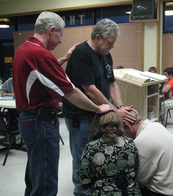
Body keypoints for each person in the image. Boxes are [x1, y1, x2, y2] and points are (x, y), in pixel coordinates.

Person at [13, 11, 112, 196]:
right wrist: (98, 107)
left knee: (35, 175)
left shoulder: (24, 50)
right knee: (45, 180)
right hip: (40, 121)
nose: (60, 41)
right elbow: (71, 92)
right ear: (51, 31)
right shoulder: (41, 54)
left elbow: (43, 74)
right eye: (60, 35)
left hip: (28, 120)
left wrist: (65, 58)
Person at [62, 18, 136, 196]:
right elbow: (90, 90)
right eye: (109, 43)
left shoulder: (105, 55)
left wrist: (120, 107)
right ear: (97, 37)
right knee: (83, 159)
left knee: (100, 156)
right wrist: (115, 111)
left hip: (99, 114)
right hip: (81, 117)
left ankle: (95, 190)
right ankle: (82, 192)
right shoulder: (81, 53)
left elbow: (112, 84)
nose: (112, 47)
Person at [124, 111, 173, 196]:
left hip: (172, 193)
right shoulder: (155, 125)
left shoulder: (141, 141)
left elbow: (141, 182)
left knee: (129, 187)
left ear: (128, 127)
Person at [79, 111, 142, 196]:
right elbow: (136, 168)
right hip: (130, 192)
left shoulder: (91, 147)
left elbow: (85, 180)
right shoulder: (130, 143)